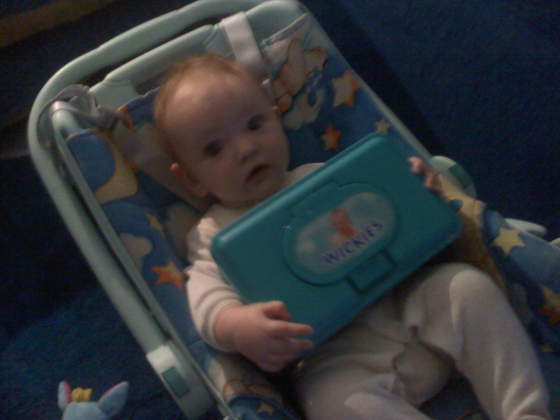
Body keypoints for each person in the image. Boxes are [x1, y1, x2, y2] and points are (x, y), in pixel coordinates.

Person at [153, 54, 551, 420]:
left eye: (255, 125)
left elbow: (396, 220)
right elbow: (205, 297)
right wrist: (237, 326)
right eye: (214, 149)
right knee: (329, 403)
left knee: (466, 286)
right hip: (337, 358)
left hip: (410, 305)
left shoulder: (322, 176)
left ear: (277, 121)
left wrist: (419, 193)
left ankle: (525, 412)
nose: (244, 148)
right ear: (191, 179)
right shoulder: (212, 233)